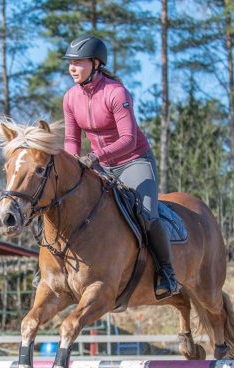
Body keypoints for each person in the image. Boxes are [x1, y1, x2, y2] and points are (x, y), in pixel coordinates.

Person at [62, 34, 179, 299]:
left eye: (78, 62)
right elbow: (71, 140)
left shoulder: (116, 92)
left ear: (95, 63)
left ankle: (167, 272)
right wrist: (71, 167)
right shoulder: (70, 98)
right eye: (70, 62)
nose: (72, 67)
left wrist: (94, 157)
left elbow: (128, 139)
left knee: (147, 213)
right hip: (100, 165)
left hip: (133, 160)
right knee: (66, 204)